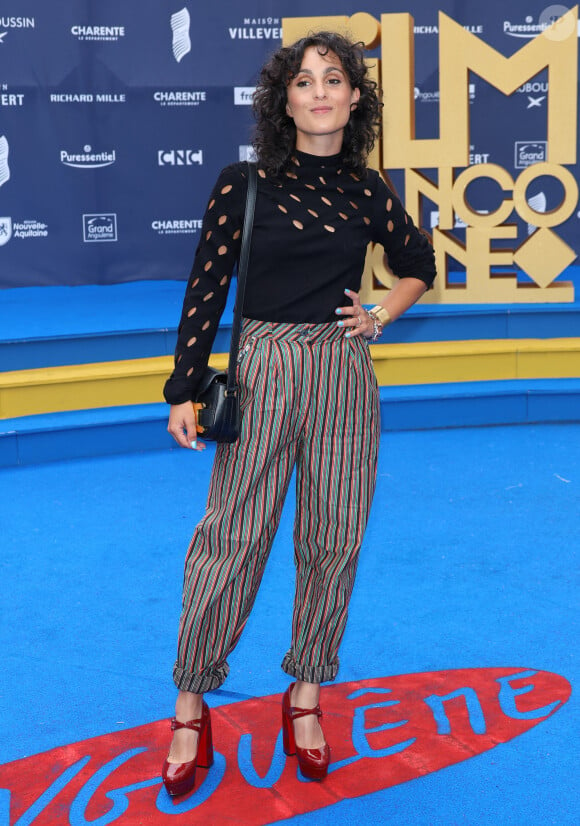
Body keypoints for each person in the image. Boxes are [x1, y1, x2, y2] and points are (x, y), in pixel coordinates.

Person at [161, 30, 436, 796]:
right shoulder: (241, 184)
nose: (319, 91)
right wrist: (183, 388)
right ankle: (191, 700)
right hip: (264, 365)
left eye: (334, 79)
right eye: (304, 80)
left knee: (334, 539)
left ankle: (306, 693)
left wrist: (380, 312)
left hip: (343, 373)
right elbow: (205, 291)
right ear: (284, 99)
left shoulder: (365, 189)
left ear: (355, 97)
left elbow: (420, 263)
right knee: (233, 536)